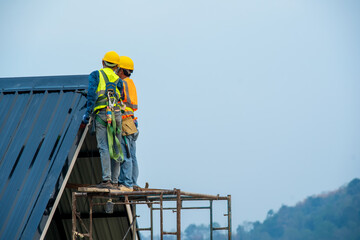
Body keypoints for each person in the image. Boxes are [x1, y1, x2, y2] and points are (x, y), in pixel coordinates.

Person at [82, 51, 125, 188]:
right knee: (116, 146)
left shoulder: (96, 75)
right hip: (117, 114)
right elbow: (122, 97)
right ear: (117, 66)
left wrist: (87, 115)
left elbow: (92, 96)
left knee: (104, 146)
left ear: (103, 62)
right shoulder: (119, 80)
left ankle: (106, 180)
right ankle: (115, 181)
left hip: (102, 114)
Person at [116, 56, 139, 191]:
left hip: (125, 122)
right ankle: (133, 183)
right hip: (132, 122)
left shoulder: (122, 83)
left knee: (126, 155)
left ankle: (127, 184)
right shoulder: (130, 83)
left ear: (121, 70)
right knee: (133, 155)